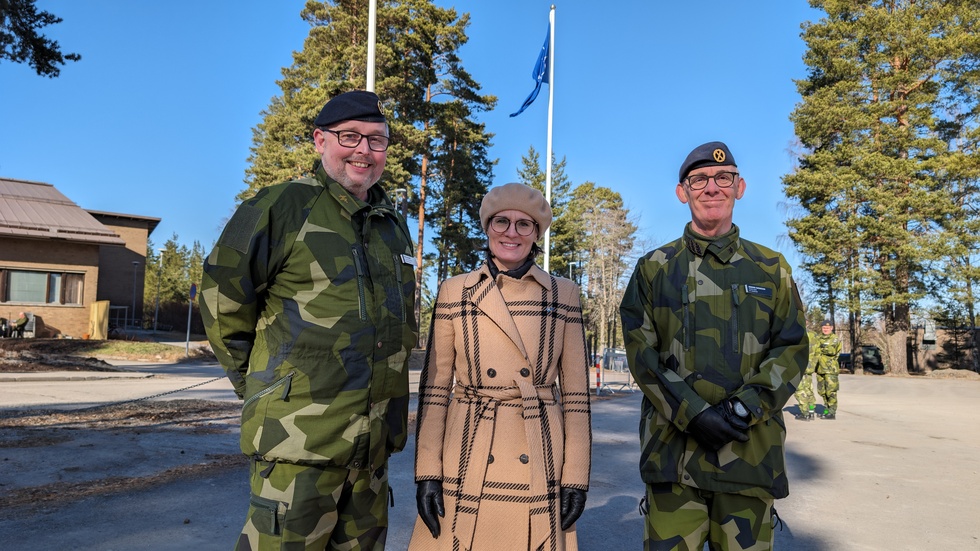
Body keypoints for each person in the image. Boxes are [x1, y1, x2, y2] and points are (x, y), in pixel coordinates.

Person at [200, 90, 418, 551]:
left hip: (371, 453)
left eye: (376, 141)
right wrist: (263, 386)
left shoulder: (391, 226)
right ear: (321, 140)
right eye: (350, 137)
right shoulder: (277, 206)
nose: (364, 150)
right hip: (298, 447)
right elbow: (221, 297)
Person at [620, 141, 809, 550]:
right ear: (681, 191)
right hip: (674, 460)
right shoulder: (655, 268)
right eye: (699, 179)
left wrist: (744, 407)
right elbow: (641, 353)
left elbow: (791, 349)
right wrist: (695, 414)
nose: (712, 187)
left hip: (748, 456)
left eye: (724, 178)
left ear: (739, 187)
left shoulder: (771, 268)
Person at [410, 182, 592, 551]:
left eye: (524, 224)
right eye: (502, 222)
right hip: (469, 444)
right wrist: (427, 472)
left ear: (536, 233)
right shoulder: (453, 290)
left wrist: (576, 476)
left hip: (537, 445)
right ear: (487, 227)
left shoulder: (564, 293)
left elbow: (576, 397)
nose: (512, 232)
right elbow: (435, 390)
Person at [813, 319, 842, 419]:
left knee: (831, 391)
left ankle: (832, 412)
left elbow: (832, 350)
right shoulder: (818, 338)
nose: (825, 329)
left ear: (831, 328)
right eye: (824, 328)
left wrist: (820, 348)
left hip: (830, 370)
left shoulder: (834, 339)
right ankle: (826, 410)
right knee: (822, 391)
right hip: (820, 369)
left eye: (827, 328)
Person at [794, 326, 820, 420]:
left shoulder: (796, 334)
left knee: (799, 390)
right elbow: (818, 352)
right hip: (809, 367)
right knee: (808, 389)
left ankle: (805, 413)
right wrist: (813, 365)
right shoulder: (814, 335)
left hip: (799, 366)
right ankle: (811, 411)